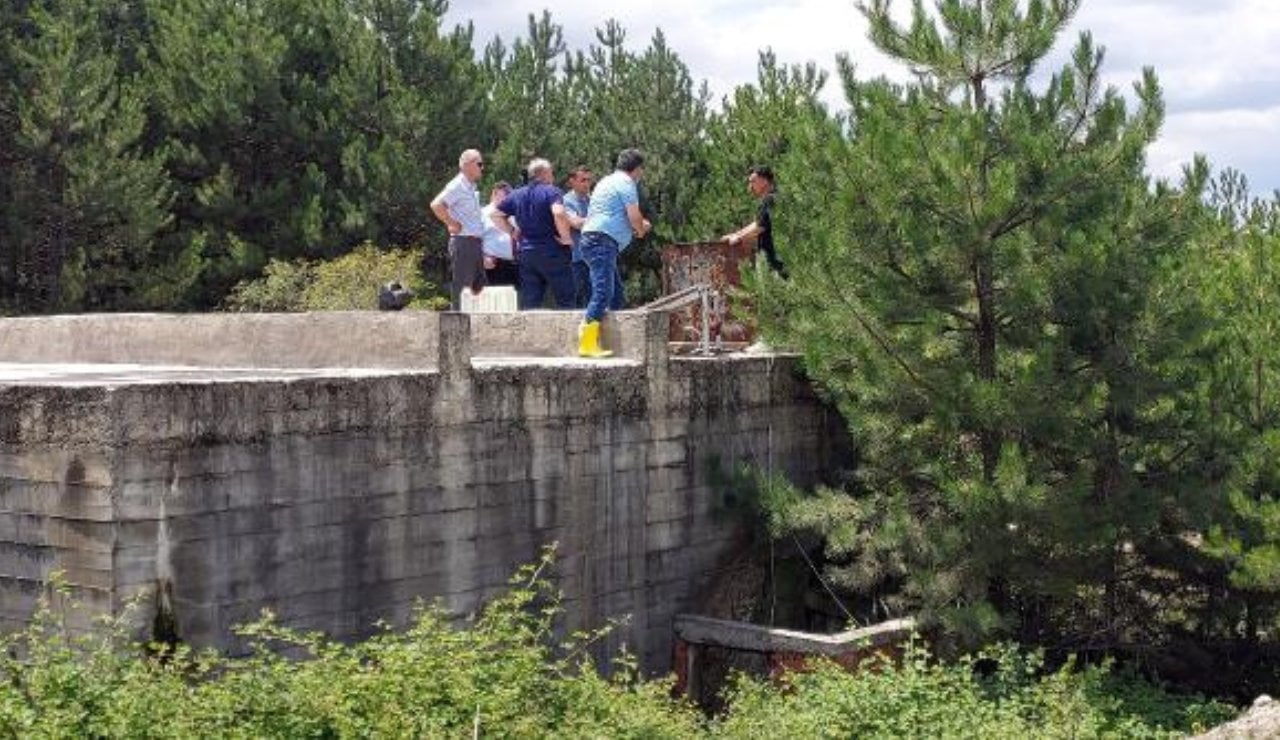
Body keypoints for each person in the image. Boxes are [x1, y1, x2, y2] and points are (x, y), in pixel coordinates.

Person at [578, 148, 650, 358]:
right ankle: (587, 342)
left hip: (595, 239)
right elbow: (634, 216)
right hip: (602, 241)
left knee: (616, 295)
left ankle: (611, 343)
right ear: (636, 169)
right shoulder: (627, 184)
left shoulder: (606, 181)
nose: (641, 175)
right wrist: (641, 228)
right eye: (641, 170)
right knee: (603, 293)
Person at [495, 158, 575, 309]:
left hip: (526, 254)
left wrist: (512, 232)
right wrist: (566, 238)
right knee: (565, 299)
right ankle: (568, 333)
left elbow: (496, 214)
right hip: (552, 251)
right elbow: (558, 212)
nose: (553, 177)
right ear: (544, 174)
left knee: (531, 302)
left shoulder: (517, 194)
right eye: (552, 173)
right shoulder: (552, 191)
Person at [429, 149, 488, 309]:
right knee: (463, 293)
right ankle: (457, 332)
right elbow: (436, 205)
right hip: (463, 243)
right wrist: (451, 222)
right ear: (468, 165)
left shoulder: (470, 187)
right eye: (479, 164)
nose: (482, 168)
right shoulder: (457, 185)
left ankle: (475, 330)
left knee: (480, 291)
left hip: (474, 244)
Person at [722, 165, 787, 278]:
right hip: (778, 260)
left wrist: (738, 238)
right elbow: (758, 223)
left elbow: (760, 227)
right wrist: (736, 234)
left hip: (774, 263)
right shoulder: (775, 198)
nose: (750, 186)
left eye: (753, 181)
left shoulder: (769, 200)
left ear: (764, 181)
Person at [562, 166, 594, 307]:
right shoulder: (566, 201)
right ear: (572, 181)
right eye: (583, 180)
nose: (587, 184)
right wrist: (600, 220)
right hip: (575, 259)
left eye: (588, 180)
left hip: (592, 258)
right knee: (573, 300)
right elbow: (575, 223)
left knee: (593, 299)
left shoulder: (592, 200)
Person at [480, 181, 519, 288]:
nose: (507, 198)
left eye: (509, 195)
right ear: (494, 194)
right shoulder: (482, 214)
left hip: (518, 265)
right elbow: (473, 240)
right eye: (504, 195)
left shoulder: (513, 213)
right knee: (498, 302)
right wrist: (481, 258)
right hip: (495, 266)